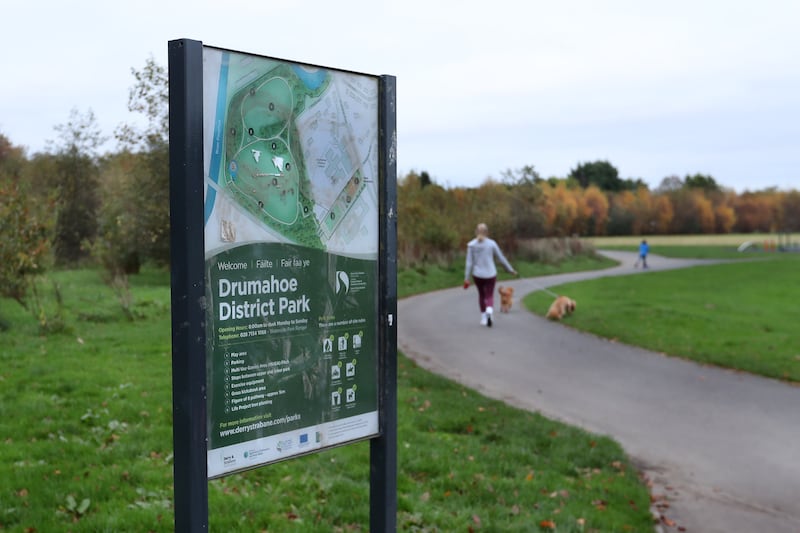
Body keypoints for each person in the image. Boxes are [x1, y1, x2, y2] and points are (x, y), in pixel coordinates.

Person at [463, 223, 517, 327]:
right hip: (490, 274)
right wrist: (510, 270)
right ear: (487, 232)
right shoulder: (492, 244)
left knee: (482, 295)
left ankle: (483, 318)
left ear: (476, 232)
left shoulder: (471, 245)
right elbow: (501, 258)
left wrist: (466, 278)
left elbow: (469, 263)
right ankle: (489, 311)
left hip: (477, 274)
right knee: (489, 295)